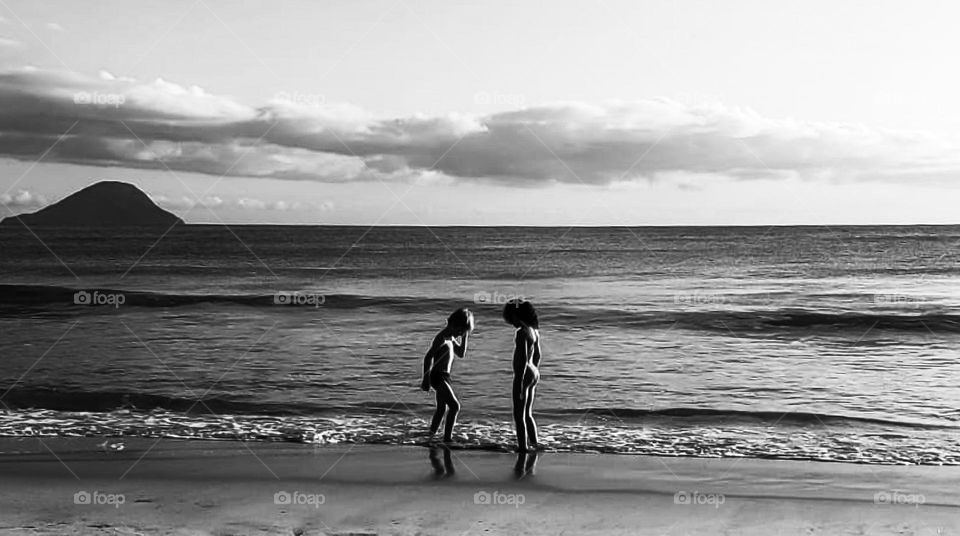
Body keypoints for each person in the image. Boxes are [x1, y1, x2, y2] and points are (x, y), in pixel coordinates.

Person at [421, 308, 474, 442]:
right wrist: (425, 379)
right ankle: (447, 438)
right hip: (437, 376)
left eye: (463, 332)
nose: (460, 334)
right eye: (460, 331)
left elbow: (461, 353)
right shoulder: (441, 338)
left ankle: (431, 436)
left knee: (441, 409)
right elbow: (428, 357)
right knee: (455, 406)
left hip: (445, 376)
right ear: (452, 324)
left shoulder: (451, 338)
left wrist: (465, 336)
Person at [503, 299, 541, 452]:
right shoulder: (534, 331)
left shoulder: (521, 333)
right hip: (534, 373)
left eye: (510, 318)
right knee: (528, 414)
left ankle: (523, 447)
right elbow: (538, 355)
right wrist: (535, 372)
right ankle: (535, 443)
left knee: (519, 415)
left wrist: (519, 382)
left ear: (516, 315)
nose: (510, 322)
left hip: (524, 374)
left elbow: (522, 360)